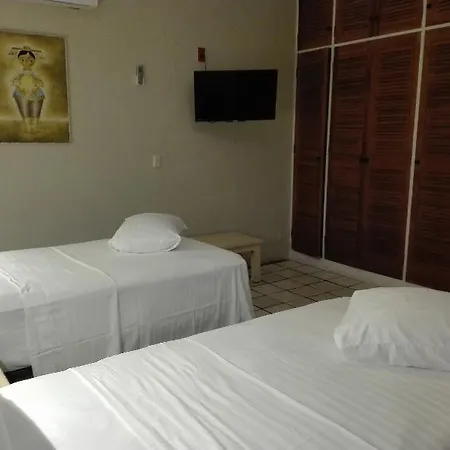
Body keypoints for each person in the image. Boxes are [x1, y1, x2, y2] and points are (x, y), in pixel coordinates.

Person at [11, 47, 45, 134]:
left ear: (33, 61)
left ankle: (34, 126)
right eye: (22, 60)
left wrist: (37, 85)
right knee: (24, 107)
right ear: (19, 60)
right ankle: (27, 126)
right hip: (22, 90)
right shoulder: (20, 73)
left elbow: (38, 80)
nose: (26, 62)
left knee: (35, 108)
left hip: (34, 90)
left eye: (29, 60)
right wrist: (18, 85)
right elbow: (15, 80)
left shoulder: (33, 73)